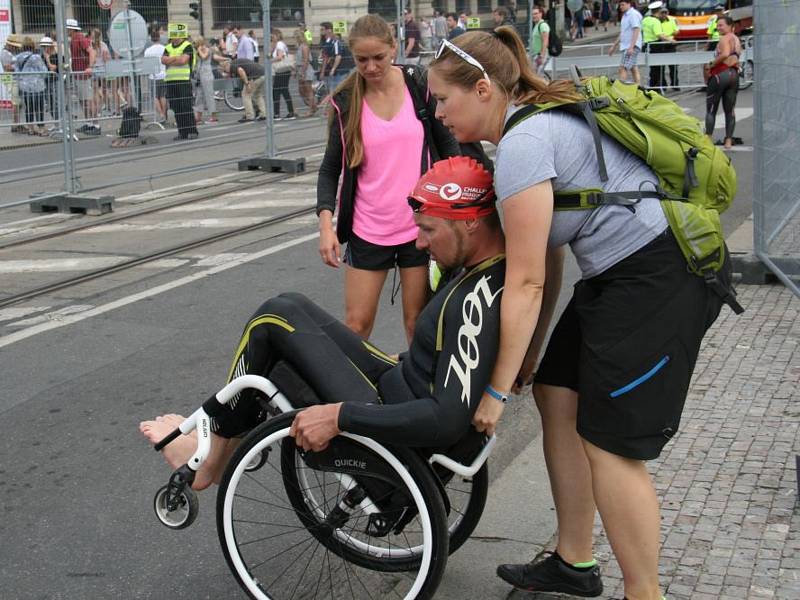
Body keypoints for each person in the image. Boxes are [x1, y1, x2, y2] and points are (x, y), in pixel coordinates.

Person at [428, 24, 730, 600]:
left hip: (659, 273)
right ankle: (574, 561)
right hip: (617, 273)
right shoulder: (529, 124)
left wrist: (493, 393)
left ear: (484, 89)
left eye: (445, 99)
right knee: (558, 391)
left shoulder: (523, 142)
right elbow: (547, 254)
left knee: (610, 444)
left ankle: (644, 593)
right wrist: (535, 353)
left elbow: (525, 281)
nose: (439, 113)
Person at [140, 156, 506, 488]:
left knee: (272, 319)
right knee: (289, 303)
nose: (420, 244)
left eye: (428, 230)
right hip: (398, 384)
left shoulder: (473, 301)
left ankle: (211, 461)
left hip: (385, 410)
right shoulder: (489, 271)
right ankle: (221, 441)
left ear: (471, 222)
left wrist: (339, 416)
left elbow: (444, 420)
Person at [316, 14, 467, 344]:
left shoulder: (418, 83)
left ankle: (416, 393)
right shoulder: (345, 101)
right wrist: (326, 226)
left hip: (421, 228)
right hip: (368, 229)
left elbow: (449, 145)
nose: (370, 67)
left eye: (378, 58)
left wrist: (456, 206)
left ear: (394, 48)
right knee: (356, 326)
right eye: (361, 60)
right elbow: (330, 169)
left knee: (417, 324)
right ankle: (354, 393)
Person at [705, 15, 741, 151]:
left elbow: (725, 54)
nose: (718, 28)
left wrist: (711, 64)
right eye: (717, 25)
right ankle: (728, 141)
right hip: (734, 75)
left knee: (711, 109)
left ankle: (708, 138)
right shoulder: (736, 39)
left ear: (730, 26)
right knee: (729, 110)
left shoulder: (724, 38)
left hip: (720, 74)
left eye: (721, 25)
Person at [161, 23, 198, 141]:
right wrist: (175, 58)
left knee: (186, 106)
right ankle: (182, 132)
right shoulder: (168, 47)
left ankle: (192, 130)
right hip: (171, 81)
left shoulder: (187, 46)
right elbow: (163, 60)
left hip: (183, 80)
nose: (173, 36)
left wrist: (170, 59)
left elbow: (183, 61)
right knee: (176, 108)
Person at [65, 19, 99, 134]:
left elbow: (92, 52)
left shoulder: (79, 38)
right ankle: (89, 123)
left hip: (83, 75)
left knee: (87, 101)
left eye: (67, 28)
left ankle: (95, 125)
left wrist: (89, 67)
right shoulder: (74, 39)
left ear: (71, 29)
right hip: (78, 74)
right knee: (83, 101)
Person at [15, 37, 48, 136]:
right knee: (39, 107)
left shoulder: (18, 58)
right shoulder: (36, 57)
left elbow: (17, 73)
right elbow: (44, 71)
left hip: (24, 86)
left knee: (28, 108)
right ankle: (41, 128)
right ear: (32, 46)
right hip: (37, 86)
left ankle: (30, 128)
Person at [608, 0, 643, 84]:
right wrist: (614, 46)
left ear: (629, 4)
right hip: (628, 46)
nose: (620, 7)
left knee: (622, 68)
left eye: (622, 5)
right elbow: (623, 33)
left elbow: (636, 29)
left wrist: (631, 47)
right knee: (633, 68)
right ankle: (637, 88)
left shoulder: (633, 14)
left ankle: (621, 89)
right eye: (620, 5)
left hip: (631, 46)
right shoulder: (625, 15)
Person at [641, 1, 672, 91]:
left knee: (652, 67)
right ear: (658, 11)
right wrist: (671, 40)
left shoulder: (645, 19)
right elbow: (659, 35)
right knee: (659, 67)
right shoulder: (656, 21)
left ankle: (654, 86)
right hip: (656, 45)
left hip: (647, 45)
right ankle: (658, 86)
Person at [223, 58, 266, 123]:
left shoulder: (232, 66)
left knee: (246, 95)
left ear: (227, 66)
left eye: (225, 71)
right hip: (262, 74)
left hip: (255, 77)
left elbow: (241, 71)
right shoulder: (235, 63)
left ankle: (249, 116)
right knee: (257, 95)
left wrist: (247, 83)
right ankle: (263, 114)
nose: (226, 72)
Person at [143, 30, 168, 124]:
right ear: (159, 37)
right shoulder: (164, 48)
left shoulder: (148, 51)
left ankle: (161, 114)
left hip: (153, 76)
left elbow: (146, 64)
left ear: (151, 38)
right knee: (162, 95)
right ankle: (164, 115)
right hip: (163, 74)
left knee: (154, 96)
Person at [270, 31, 296, 121]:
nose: (271, 37)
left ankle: (277, 114)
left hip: (281, 70)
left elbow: (280, 57)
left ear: (277, 35)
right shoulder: (279, 44)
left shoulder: (279, 44)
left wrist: (270, 61)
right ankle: (290, 112)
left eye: (272, 35)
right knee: (284, 91)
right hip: (284, 70)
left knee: (276, 91)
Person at [192, 37, 217, 125]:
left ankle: (213, 117)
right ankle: (198, 117)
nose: (194, 45)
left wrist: (199, 50)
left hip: (206, 75)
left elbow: (204, 57)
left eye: (195, 43)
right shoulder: (196, 51)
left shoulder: (207, 50)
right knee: (199, 96)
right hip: (199, 76)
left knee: (209, 96)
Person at [294, 28, 317, 117]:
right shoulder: (299, 47)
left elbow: (306, 60)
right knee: (301, 90)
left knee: (308, 90)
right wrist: (296, 70)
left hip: (306, 69)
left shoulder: (304, 46)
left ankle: (311, 109)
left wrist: (303, 72)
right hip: (300, 68)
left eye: (296, 37)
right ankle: (313, 106)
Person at [2, 34, 23, 133]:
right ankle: (16, 124)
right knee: (16, 101)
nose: (15, 48)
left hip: (14, 78)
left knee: (18, 102)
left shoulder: (10, 53)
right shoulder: (5, 53)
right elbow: (7, 67)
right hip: (11, 79)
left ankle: (17, 122)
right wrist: (19, 67)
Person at [659, 6, 680, 89]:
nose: (664, 14)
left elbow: (676, 31)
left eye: (665, 12)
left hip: (671, 44)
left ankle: (675, 84)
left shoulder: (671, 20)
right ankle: (663, 85)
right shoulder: (657, 21)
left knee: (673, 66)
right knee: (661, 66)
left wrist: (673, 33)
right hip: (661, 44)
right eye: (662, 13)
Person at [40, 36, 59, 123]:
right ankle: (56, 123)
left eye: (45, 46)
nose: (44, 48)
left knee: (56, 102)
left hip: (54, 81)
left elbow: (52, 68)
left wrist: (47, 58)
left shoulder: (55, 56)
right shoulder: (41, 56)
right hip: (45, 81)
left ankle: (59, 122)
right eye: (43, 46)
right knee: (49, 103)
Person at [530, 5, 551, 76]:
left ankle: (547, 86)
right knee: (536, 75)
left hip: (541, 55)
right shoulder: (536, 25)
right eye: (532, 14)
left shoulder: (542, 25)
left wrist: (541, 56)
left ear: (541, 14)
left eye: (536, 13)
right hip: (536, 55)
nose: (534, 16)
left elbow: (545, 41)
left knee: (538, 76)